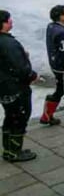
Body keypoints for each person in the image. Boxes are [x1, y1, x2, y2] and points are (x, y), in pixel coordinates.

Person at [0, 10, 38, 162]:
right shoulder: (9, 43)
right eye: (9, 20)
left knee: (10, 117)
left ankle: (8, 149)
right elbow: (20, 67)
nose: (11, 22)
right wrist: (31, 75)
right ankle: (15, 151)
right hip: (15, 87)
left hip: (4, 87)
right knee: (19, 118)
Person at [41, 5, 64, 125]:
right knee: (61, 90)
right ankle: (47, 114)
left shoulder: (51, 27)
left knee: (62, 88)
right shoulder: (61, 33)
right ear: (61, 16)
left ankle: (47, 114)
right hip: (62, 68)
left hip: (55, 64)